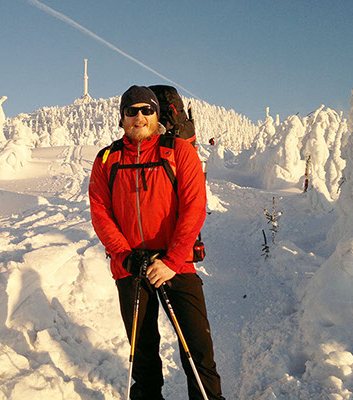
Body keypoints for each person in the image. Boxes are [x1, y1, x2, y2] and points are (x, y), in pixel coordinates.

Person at [89, 85, 225, 399]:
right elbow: (100, 211)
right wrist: (125, 256)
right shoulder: (107, 159)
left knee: (198, 350)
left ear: (157, 114)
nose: (139, 116)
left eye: (146, 110)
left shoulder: (178, 151)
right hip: (131, 268)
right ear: (122, 118)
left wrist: (171, 261)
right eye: (131, 111)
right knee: (143, 355)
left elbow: (194, 207)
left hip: (176, 264)